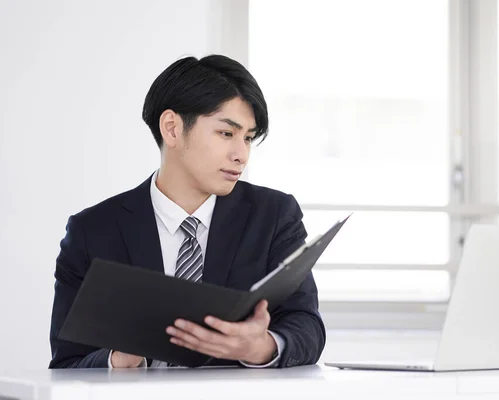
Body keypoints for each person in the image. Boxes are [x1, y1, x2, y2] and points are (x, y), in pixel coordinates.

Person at [49, 54, 325, 369]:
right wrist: (119, 360)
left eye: (248, 139)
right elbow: (67, 363)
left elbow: (307, 326)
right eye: (227, 133)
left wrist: (261, 347)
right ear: (172, 128)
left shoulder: (274, 215)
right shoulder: (93, 231)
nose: (241, 155)